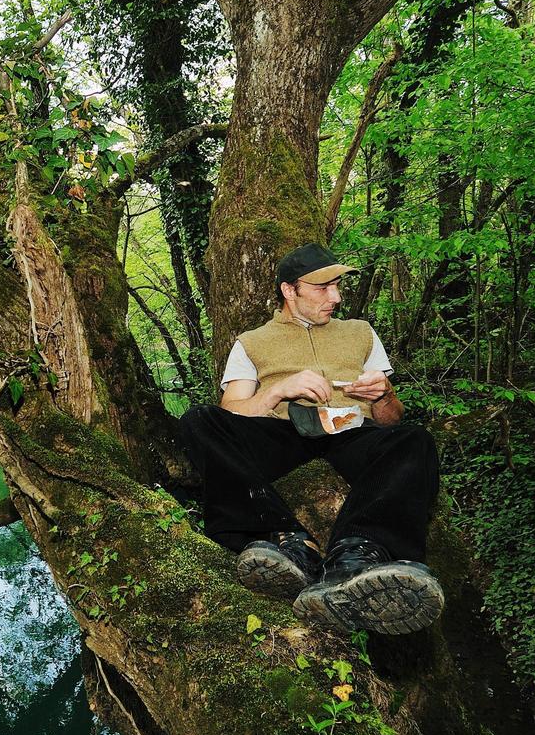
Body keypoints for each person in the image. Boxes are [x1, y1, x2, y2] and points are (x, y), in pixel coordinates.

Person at [177, 243, 444, 635]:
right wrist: (277, 391)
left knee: (414, 439)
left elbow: (392, 420)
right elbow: (231, 409)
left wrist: (384, 394)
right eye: (322, 288)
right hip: (282, 432)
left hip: (353, 431)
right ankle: (284, 539)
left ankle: (357, 555)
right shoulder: (251, 342)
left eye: (336, 286)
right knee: (199, 420)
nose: (334, 297)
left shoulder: (361, 334)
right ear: (289, 290)